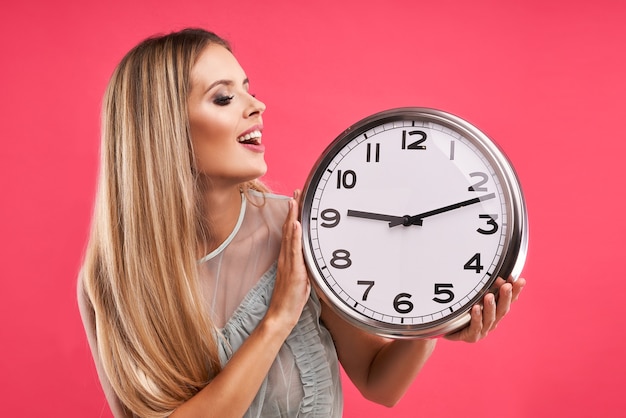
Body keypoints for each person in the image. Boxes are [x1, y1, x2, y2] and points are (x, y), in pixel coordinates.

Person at [77, 28, 525, 418]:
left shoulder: (300, 231)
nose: (257, 105)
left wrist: (432, 325)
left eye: (248, 89)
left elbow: (378, 383)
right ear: (165, 128)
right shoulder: (111, 278)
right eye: (224, 97)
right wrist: (278, 318)